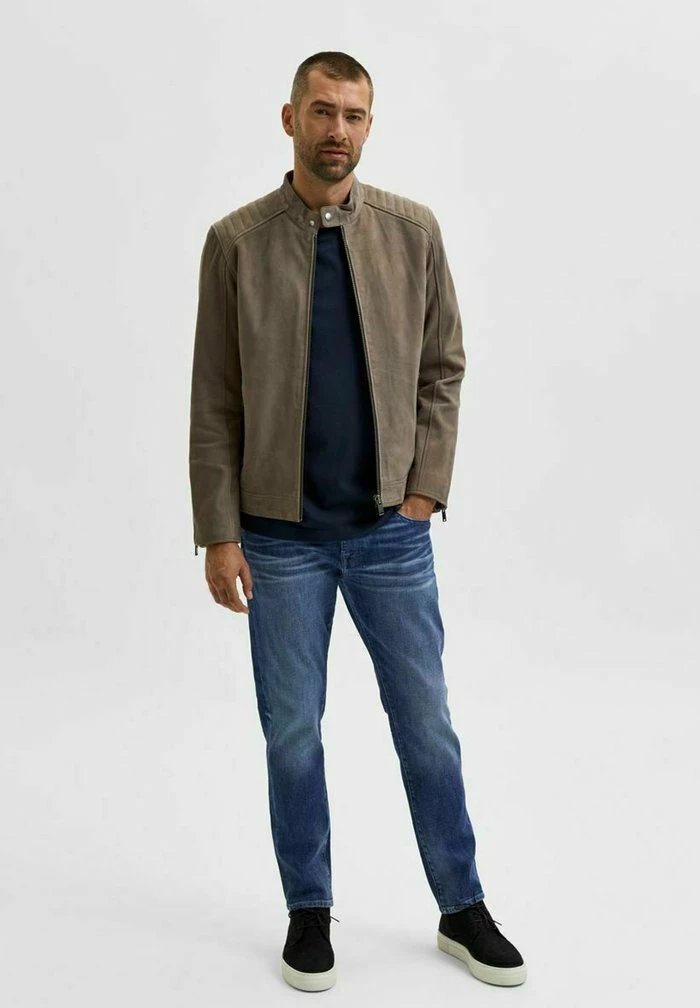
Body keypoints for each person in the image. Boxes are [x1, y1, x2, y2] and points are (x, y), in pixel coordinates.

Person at [189, 50, 526, 993]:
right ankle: (309, 910)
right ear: (290, 118)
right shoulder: (236, 243)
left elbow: (443, 366)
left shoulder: (412, 232)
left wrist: (423, 490)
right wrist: (218, 530)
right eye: (322, 111)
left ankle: (461, 906)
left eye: (354, 114)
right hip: (277, 540)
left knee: (427, 725)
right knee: (293, 732)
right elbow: (214, 396)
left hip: (390, 536)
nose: (337, 129)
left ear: (369, 126)